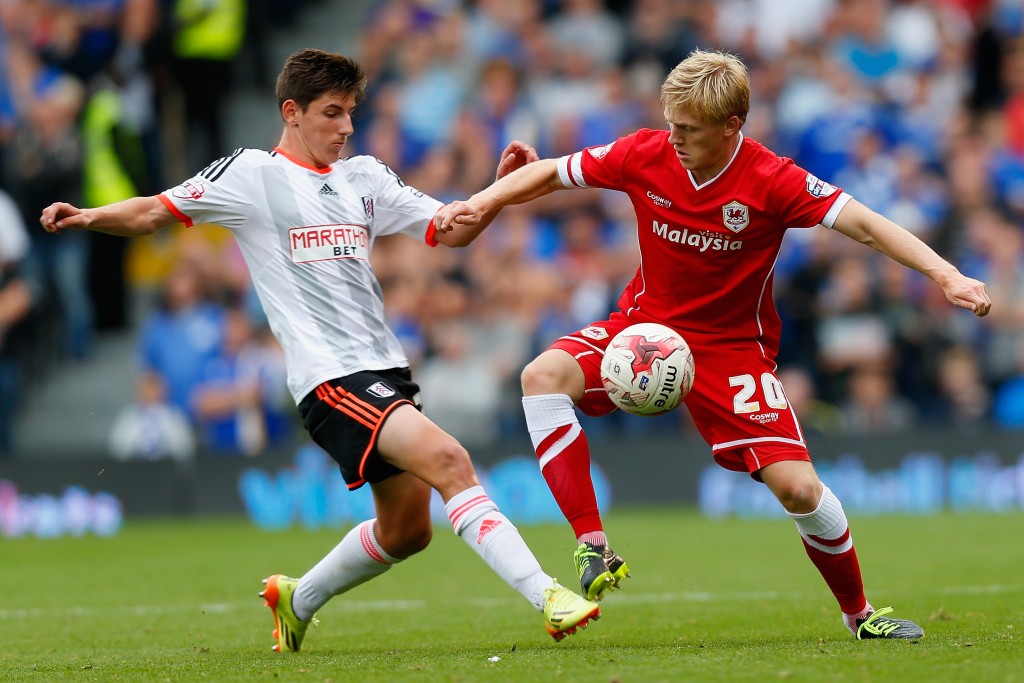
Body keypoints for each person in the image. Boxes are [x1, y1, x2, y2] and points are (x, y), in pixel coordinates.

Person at [39, 48, 599, 652]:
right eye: (332, 113)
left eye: (351, 113)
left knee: (408, 531)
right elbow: (152, 211)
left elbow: (452, 228)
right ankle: (548, 595)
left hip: (385, 369)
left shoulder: (365, 178)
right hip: (330, 379)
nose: (346, 127)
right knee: (451, 461)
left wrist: (502, 190)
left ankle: (297, 599)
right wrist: (88, 215)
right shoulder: (253, 175)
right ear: (292, 112)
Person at [438, 49, 993, 640]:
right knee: (540, 376)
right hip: (643, 331)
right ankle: (591, 543)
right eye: (670, 122)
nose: (673, 137)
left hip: (732, 352)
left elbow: (866, 223)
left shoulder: (772, 179)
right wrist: (482, 201)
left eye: (688, 129)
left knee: (801, 489)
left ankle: (861, 615)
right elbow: (550, 171)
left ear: (732, 126)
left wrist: (946, 275)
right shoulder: (644, 152)